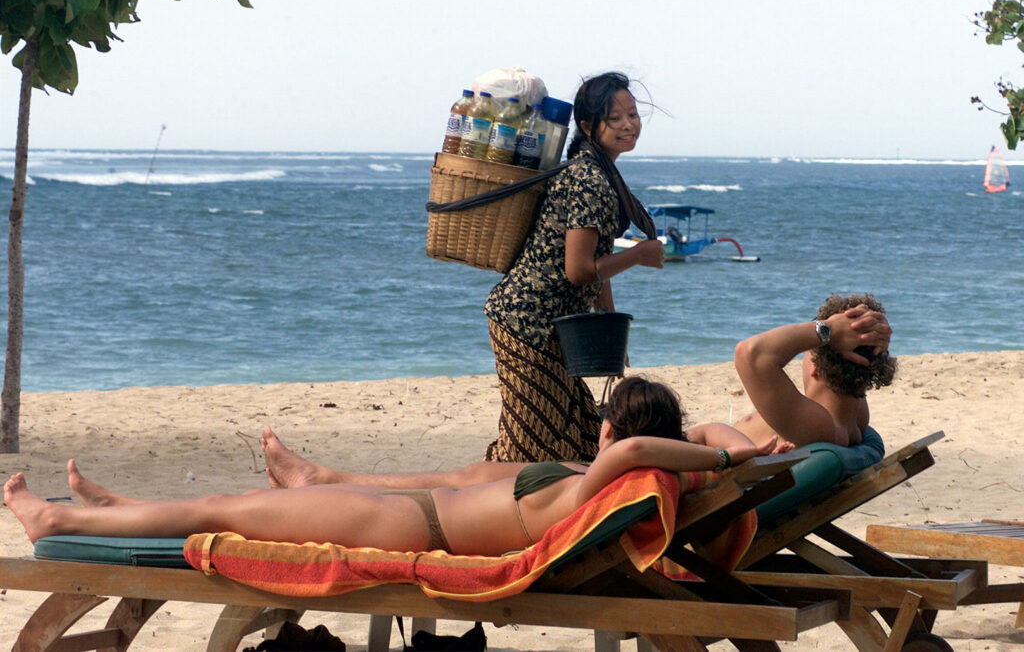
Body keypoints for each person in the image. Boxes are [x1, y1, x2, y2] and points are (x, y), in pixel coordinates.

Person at [4, 377, 775, 554]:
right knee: (230, 504)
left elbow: (645, 446)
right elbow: (672, 444)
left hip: (407, 527)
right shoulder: (628, 479)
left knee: (224, 508)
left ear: (611, 427)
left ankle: (60, 517)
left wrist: (716, 450)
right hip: (416, 517)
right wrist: (733, 452)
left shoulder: (617, 470)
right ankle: (108, 511)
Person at [483, 72, 665, 463]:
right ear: (587, 126)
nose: (629, 124)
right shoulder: (589, 179)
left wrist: (609, 319)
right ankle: (471, 508)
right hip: (526, 323)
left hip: (552, 330)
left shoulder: (598, 171)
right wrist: (638, 253)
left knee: (581, 436)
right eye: (614, 118)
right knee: (536, 449)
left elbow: (595, 257)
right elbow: (579, 269)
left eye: (632, 114)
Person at [732, 293, 897, 449]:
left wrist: (828, 329)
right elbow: (864, 352)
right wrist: (874, 331)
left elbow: (750, 354)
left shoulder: (816, 425)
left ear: (815, 366)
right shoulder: (855, 415)